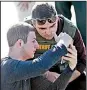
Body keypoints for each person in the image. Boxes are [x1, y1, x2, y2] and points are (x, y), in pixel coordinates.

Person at [24, 2, 86, 90]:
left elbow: (83, 61)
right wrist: (46, 74)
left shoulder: (70, 29)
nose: (49, 32)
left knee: (83, 81)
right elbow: (16, 62)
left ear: (57, 19)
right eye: (42, 28)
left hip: (64, 72)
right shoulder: (24, 29)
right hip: (37, 73)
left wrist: (63, 80)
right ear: (33, 24)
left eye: (52, 26)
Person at [1, 22, 77, 90]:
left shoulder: (27, 70)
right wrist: (63, 42)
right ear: (20, 43)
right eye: (33, 41)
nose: (37, 46)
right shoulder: (7, 67)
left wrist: (70, 67)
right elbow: (41, 65)